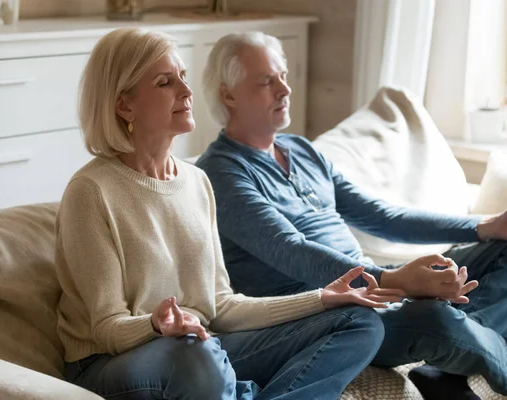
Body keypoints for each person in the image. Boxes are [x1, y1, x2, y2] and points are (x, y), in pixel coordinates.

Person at [196, 31, 507, 400]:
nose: (284, 89)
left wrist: (488, 225)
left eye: (284, 76)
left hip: (378, 286)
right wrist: (393, 281)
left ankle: (450, 368)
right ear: (229, 94)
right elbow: (291, 249)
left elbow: (383, 216)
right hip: (328, 312)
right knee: (433, 319)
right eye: (266, 81)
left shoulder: (301, 150)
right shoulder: (222, 172)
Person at [54, 27, 407, 400]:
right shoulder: (91, 192)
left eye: (183, 78)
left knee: (359, 320)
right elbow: (107, 328)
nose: (187, 93)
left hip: (201, 345)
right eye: (165, 82)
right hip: (112, 362)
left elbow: (221, 306)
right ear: (125, 105)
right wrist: (156, 325)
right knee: (196, 356)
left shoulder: (197, 182)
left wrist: (322, 298)